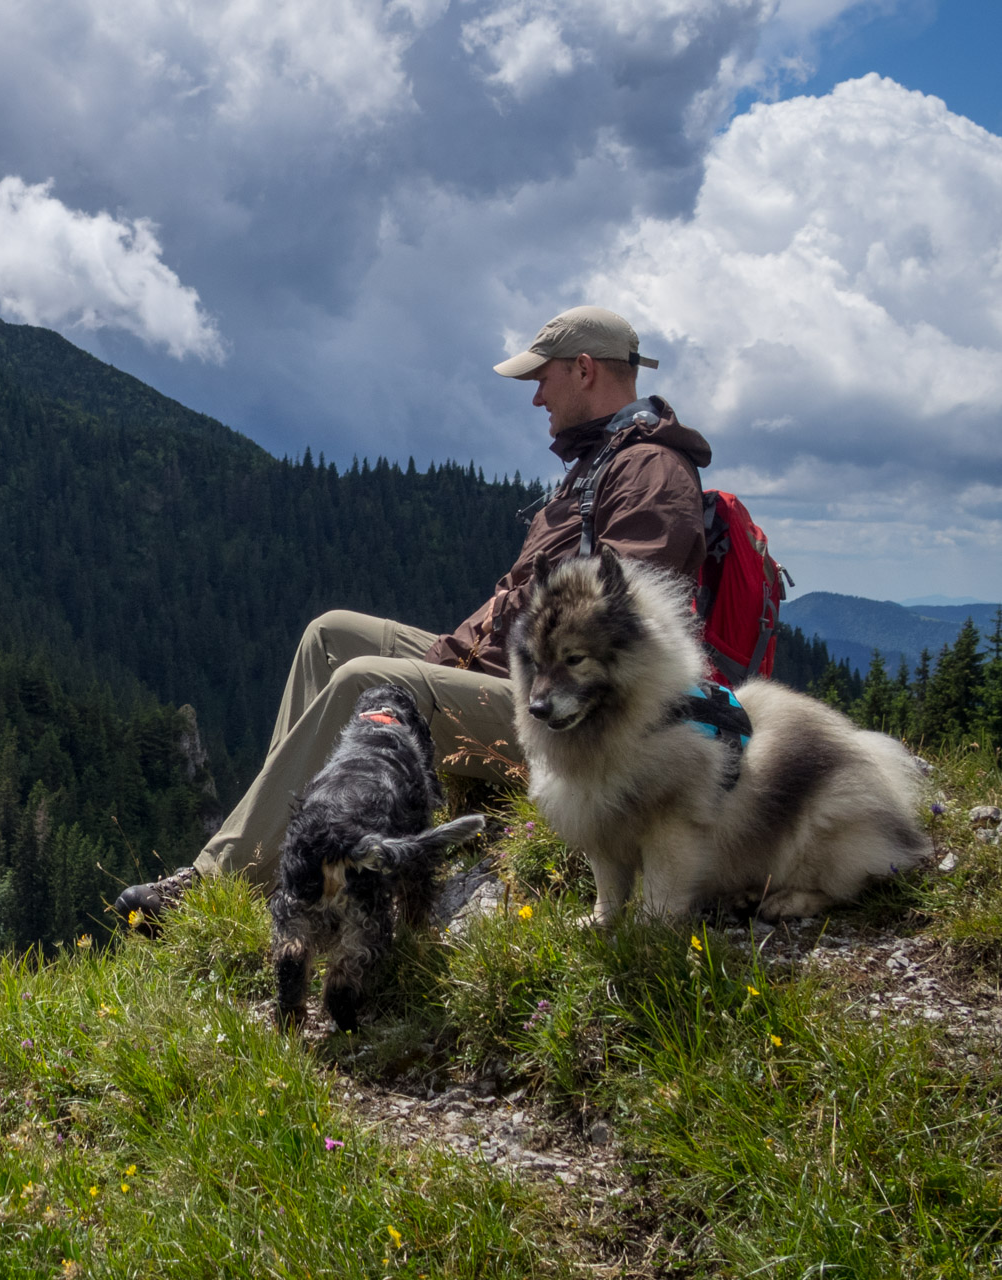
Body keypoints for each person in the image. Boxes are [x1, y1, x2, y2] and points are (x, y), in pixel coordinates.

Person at [116, 305, 713, 920]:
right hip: (506, 679)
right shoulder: (599, 465)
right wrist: (446, 657)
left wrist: (439, 674)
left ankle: (214, 885)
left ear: (585, 369)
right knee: (333, 637)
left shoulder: (652, 472)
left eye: (543, 378)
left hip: (568, 720)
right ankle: (291, 845)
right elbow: (515, 600)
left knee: (361, 682)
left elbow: (623, 629)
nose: (536, 399)